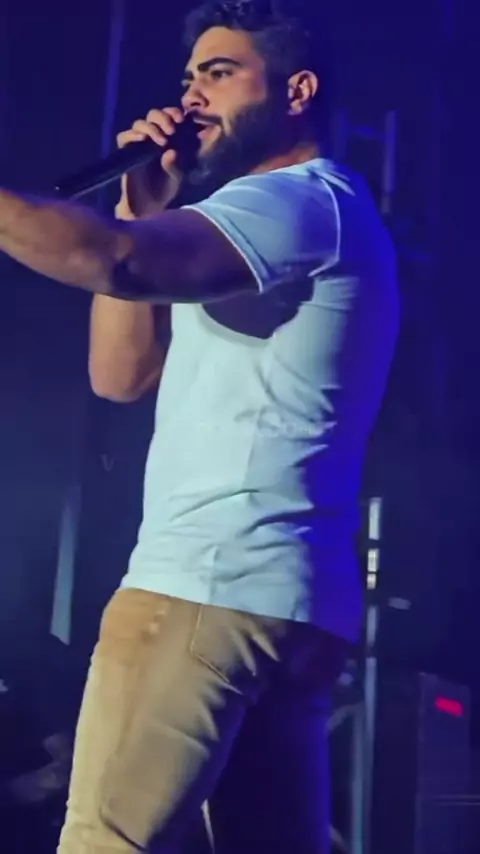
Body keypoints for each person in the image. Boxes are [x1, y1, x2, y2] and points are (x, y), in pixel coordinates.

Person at [0, 1, 399, 850]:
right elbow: (120, 375)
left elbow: (112, 259)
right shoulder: (316, 211)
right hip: (288, 609)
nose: (191, 99)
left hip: (206, 586)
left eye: (219, 75)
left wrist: (115, 233)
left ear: (296, 91)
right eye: (188, 79)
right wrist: (142, 207)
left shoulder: (292, 198)